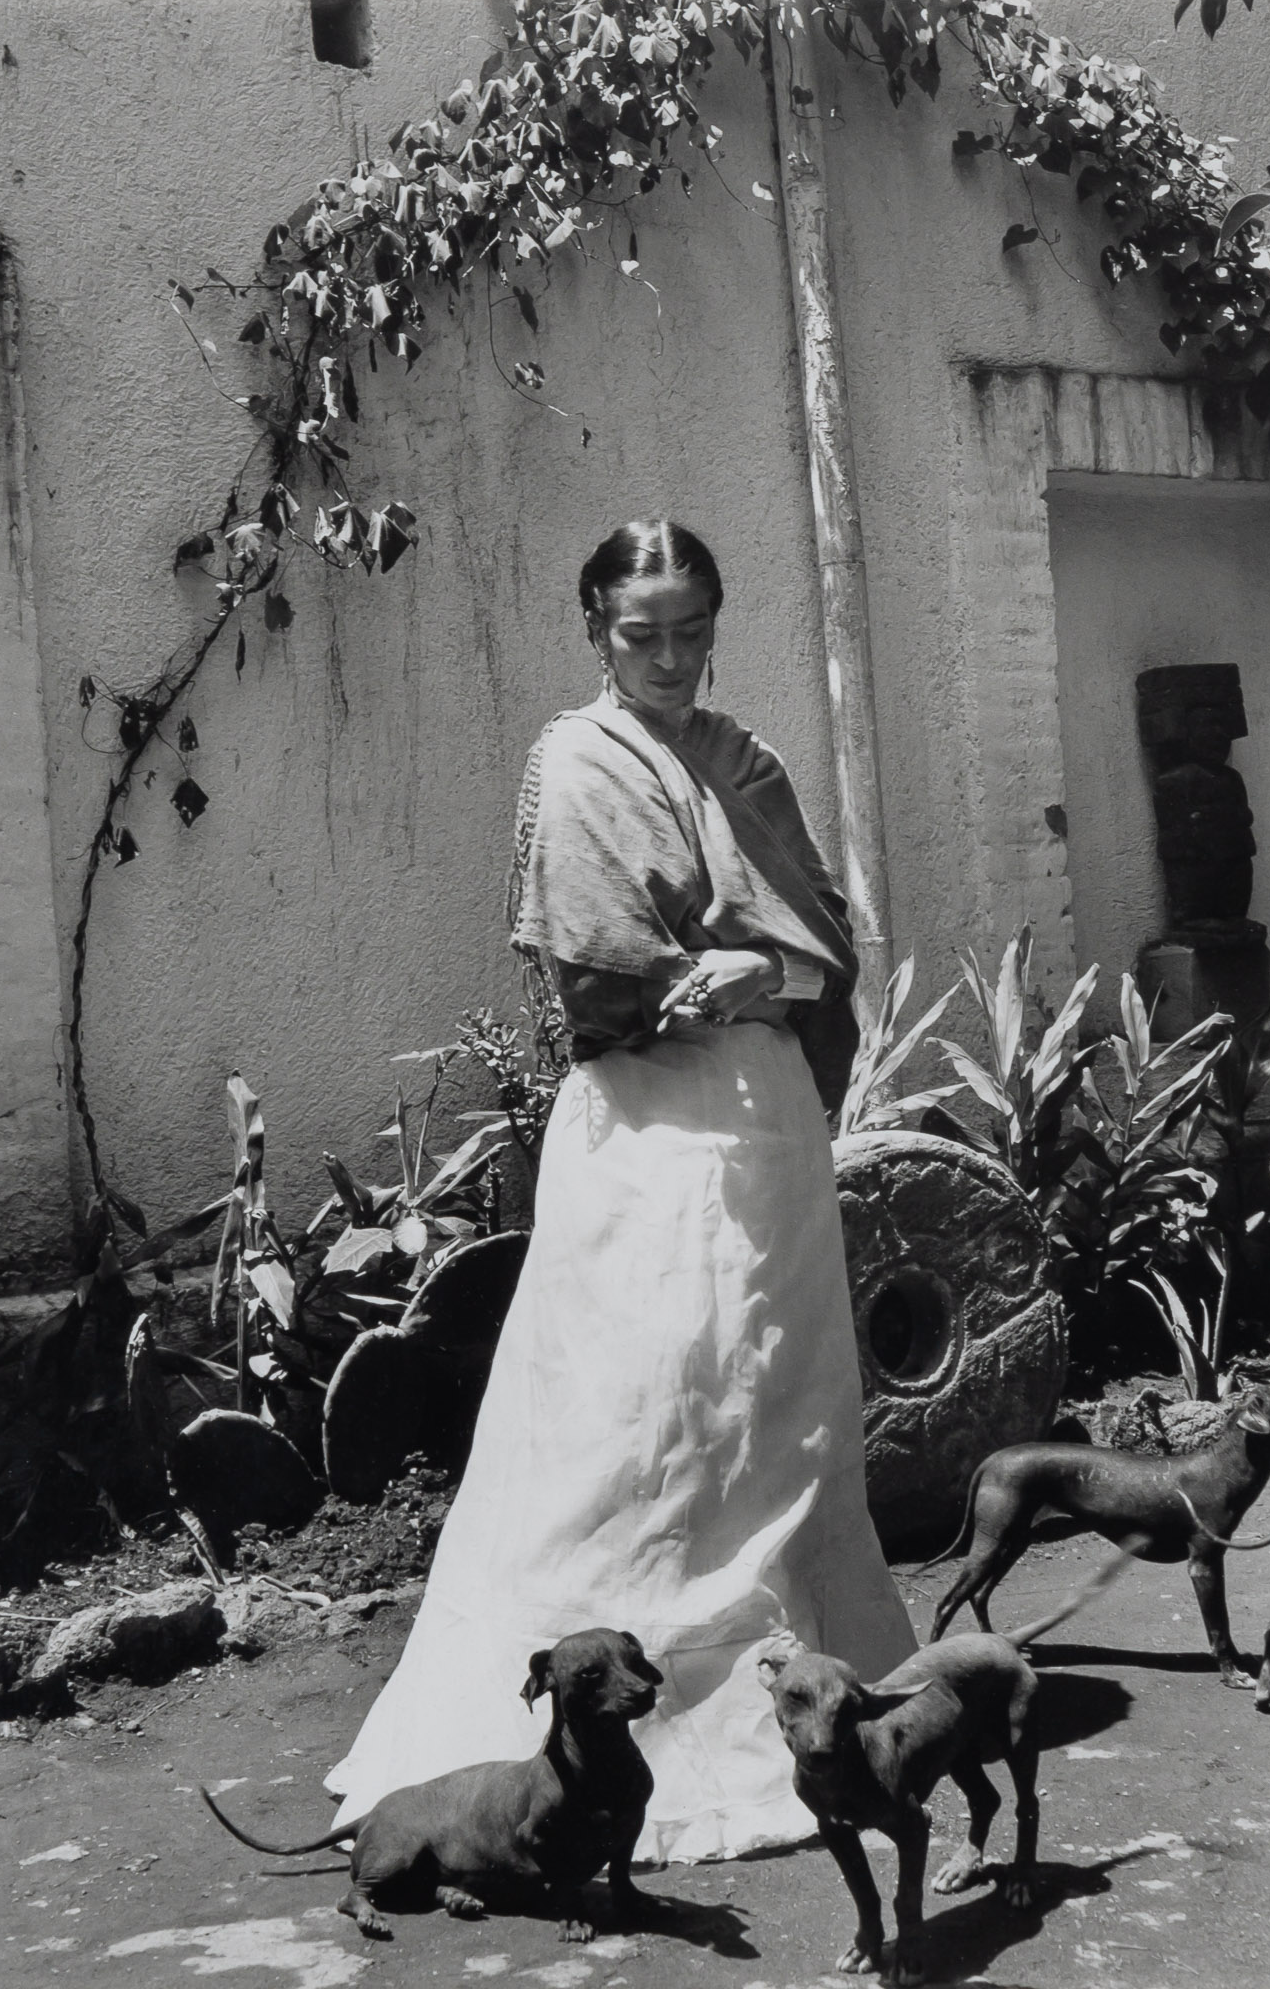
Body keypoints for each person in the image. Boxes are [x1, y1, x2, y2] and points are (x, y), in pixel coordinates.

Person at [323, 519, 915, 1864]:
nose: (669, 659)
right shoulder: (576, 759)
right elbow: (586, 972)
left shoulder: (747, 759)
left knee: (772, 1407)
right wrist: (673, 984)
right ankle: (593, 1732)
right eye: (641, 635)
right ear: (598, 630)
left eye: (692, 631)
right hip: (644, 1130)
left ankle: (803, 1698)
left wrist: (777, 977)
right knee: (632, 1413)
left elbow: (827, 943)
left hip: (765, 1131)